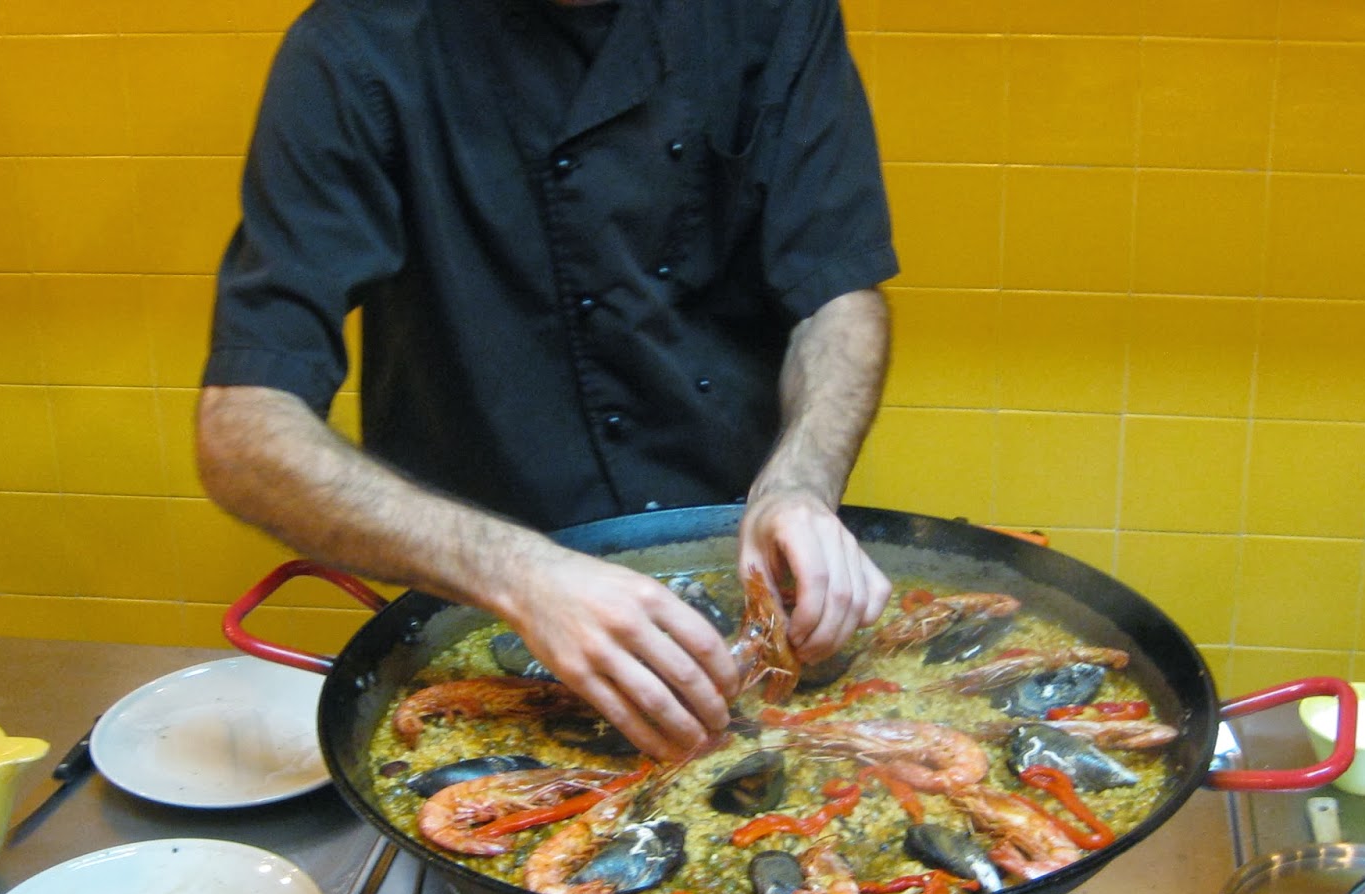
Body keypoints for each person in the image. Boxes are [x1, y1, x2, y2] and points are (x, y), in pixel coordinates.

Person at [196, 0, 899, 762]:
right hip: (490, 603)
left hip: (737, 562)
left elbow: (838, 295)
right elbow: (243, 430)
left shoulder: (776, 15)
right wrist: (521, 575)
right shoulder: (355, 48)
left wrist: (798, 483)